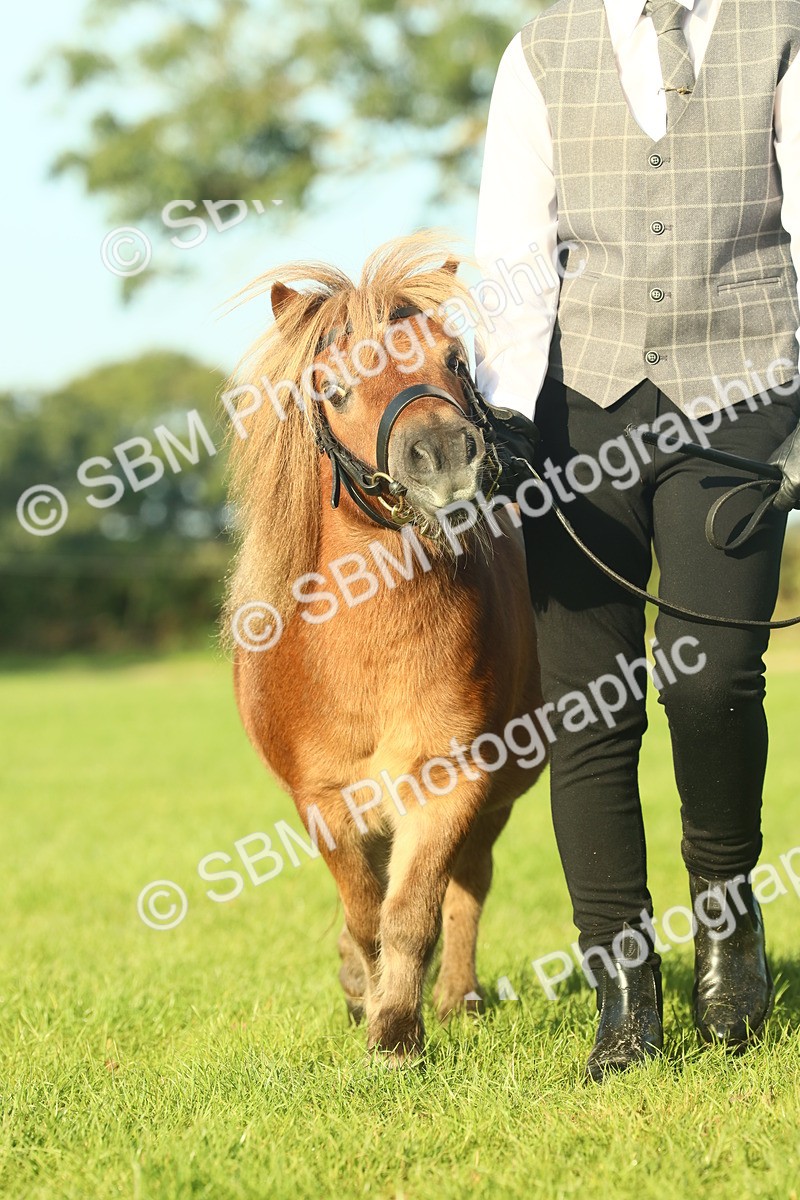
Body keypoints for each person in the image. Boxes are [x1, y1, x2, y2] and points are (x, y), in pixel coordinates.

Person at [474, 0, 800, 1081]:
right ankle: (622, 993)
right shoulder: (542, 44)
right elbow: (512, 241)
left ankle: (725, 915)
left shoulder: (778, 27)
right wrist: (509, 424)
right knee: (587, 710)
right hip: (580, 404)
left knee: (710, 684)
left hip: (739, 391)